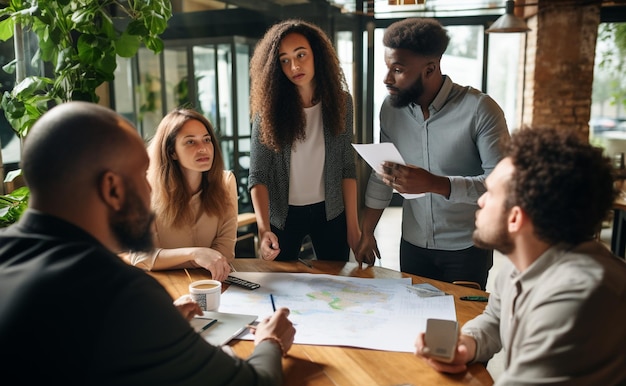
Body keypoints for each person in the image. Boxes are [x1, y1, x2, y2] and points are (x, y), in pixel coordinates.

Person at [0, 102, 296, 386]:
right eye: (142, 175)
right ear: (112, 188)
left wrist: (157, 324)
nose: (149, 187)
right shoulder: (120, 294)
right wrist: (270, 341)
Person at [415, 126, 626, 386]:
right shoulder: (524, 260)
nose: (480, 201)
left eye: (490, 193)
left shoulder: (582, 295)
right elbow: (494, 318)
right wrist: (468, 342)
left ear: (515, 218)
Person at [355, 17, 510, 289]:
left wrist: (435, 184)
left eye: (398, 69)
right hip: (412, 245)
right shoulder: (390, 109)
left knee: (462, 326)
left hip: (467, 247)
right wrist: (367, 231)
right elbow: (383, 175)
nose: (387, 78)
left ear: (430, 69)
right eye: (387, 67)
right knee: (417, 322)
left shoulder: (480, 110)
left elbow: (501, 187)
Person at [248, 19, 360, 262]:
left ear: (317, 55)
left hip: (330, 212)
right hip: (282, 216)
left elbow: (346, 168)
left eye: (301, 55)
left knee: (336, 288)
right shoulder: (268, 112)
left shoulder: (341, 103)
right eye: (284, 60)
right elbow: (258, 175)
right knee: (282, 288)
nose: (294, 66)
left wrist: (353, 226)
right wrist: (263, 228)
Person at [127, 108, 237, 282]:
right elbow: (142, 258)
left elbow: (224, 253)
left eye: (206, 140)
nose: (203, 149)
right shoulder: (145, 189)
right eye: (190, 142)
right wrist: (195, 254)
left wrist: (167, 260)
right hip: (166, 285)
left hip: (212, 282)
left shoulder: (226, 182)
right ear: (172, 152)